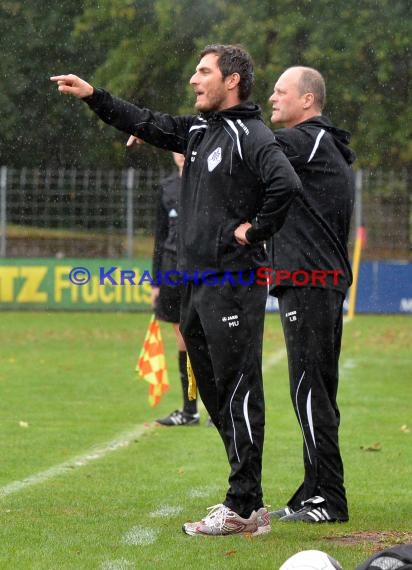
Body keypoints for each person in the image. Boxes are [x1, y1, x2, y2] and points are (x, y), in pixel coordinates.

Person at [50, 43, 302, 537]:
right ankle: (246, 497)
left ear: (231, 80)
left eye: (203, 71)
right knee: (211, 393)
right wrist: (93, 95)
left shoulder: (251, 135)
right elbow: (145, 120)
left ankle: (244, 505)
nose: (193, 79)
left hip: (233, 285)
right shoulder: (199, 132)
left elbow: (286, 185)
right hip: (195, 285)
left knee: (239, 391)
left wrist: (254, 231)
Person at [266, 66, 356, 523]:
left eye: (281, 91)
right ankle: (312, 490)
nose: (272, 97)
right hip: (313, 281)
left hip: (311, 281)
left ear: (307, 100)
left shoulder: (308, 141)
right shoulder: (314, 144)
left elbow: (249, 146)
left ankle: (329, 499)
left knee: (309, 389)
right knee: (313, 388)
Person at [147, 149, 200, 426]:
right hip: (171, 270)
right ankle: (189, 409)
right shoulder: (166, 188)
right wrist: (155, 280)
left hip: (202, 270)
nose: (182, 154)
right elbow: (160, 235)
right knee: (182, 338)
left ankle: (221, 407)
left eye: (187, 147)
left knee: (211, 337)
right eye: (177, 148)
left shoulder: (207, 181)